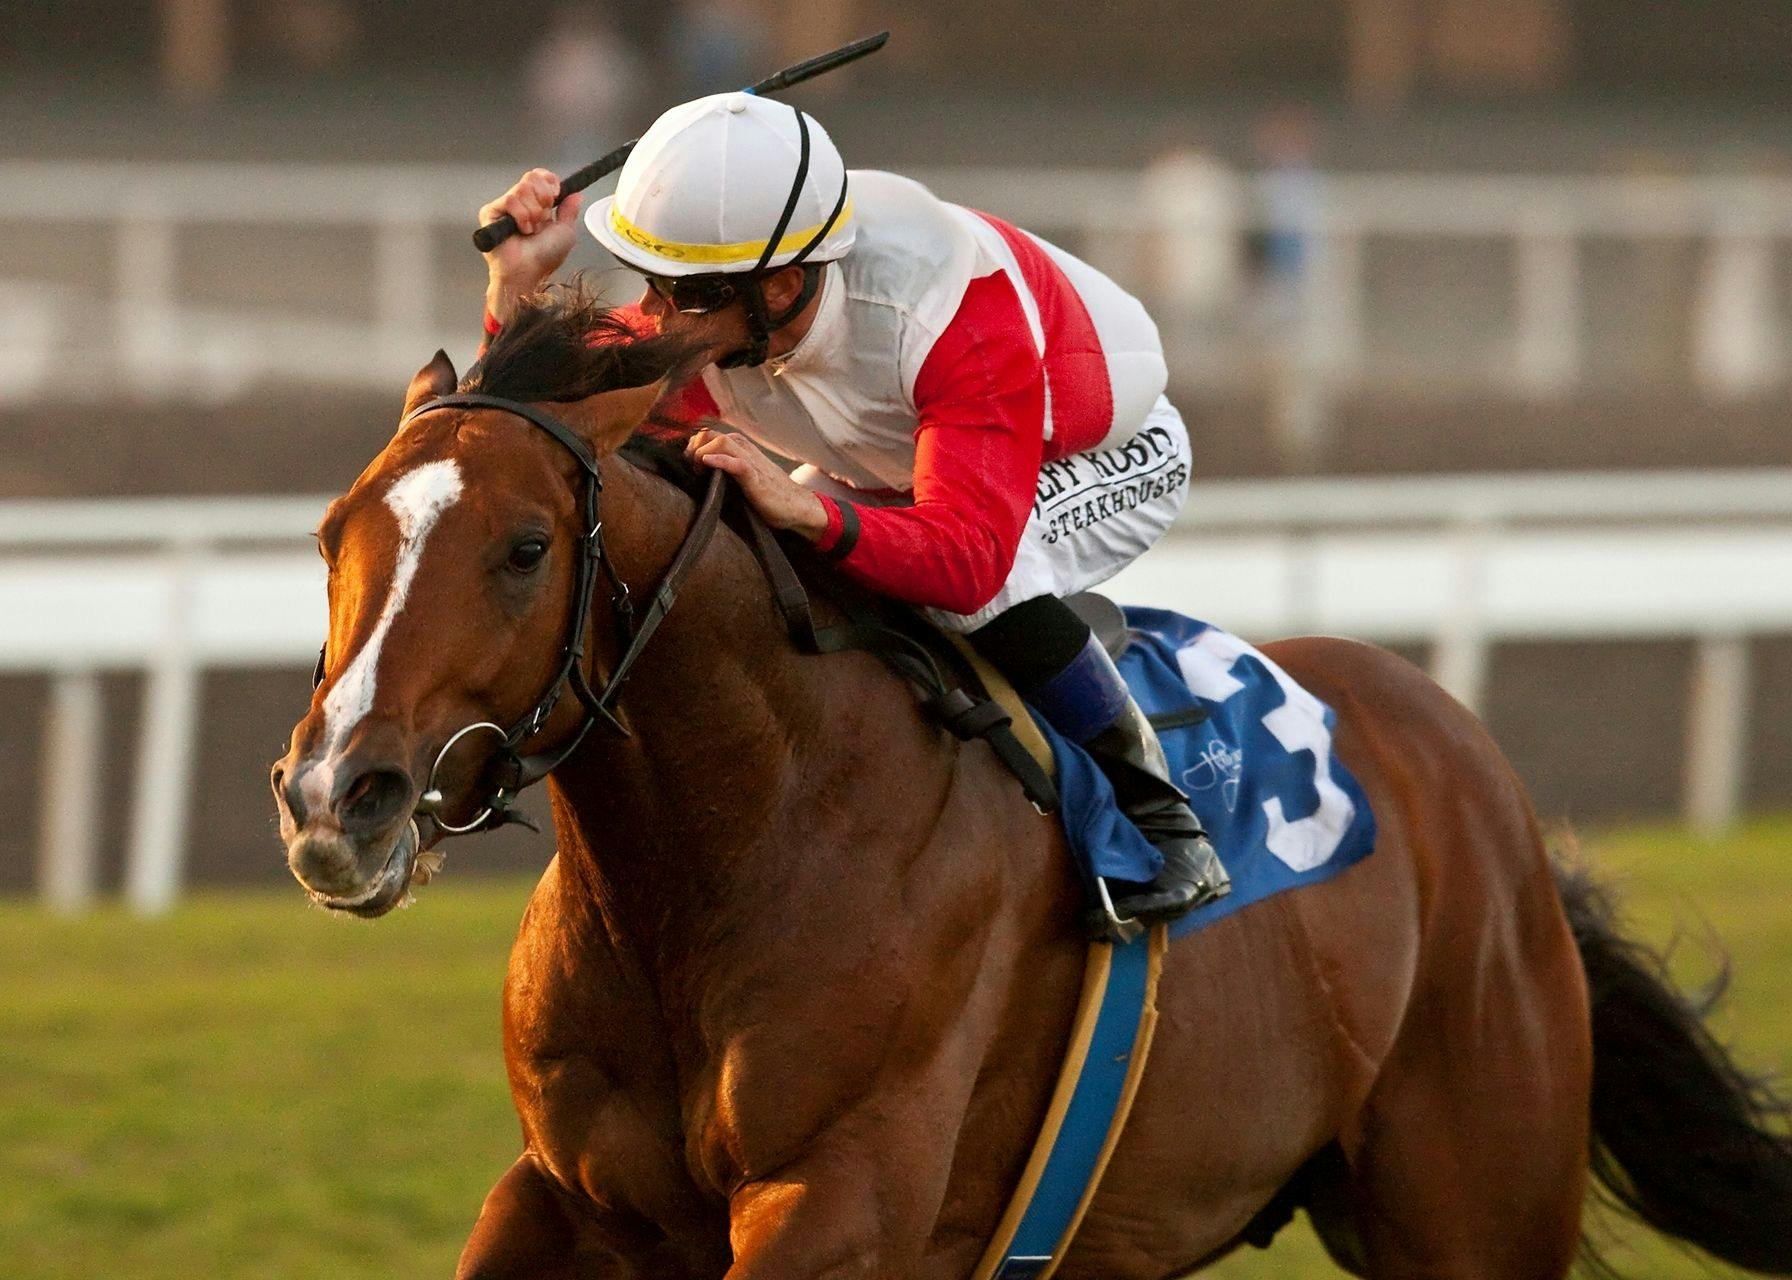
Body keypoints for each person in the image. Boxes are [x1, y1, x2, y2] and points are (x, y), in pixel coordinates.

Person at [477, 92, 1228, 931]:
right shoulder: (736, 305)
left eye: (679, 295)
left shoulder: (951, 314)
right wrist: (515, 285)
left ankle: (1164, 823)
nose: (651, 317)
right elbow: (530, 428)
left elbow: (968, 556)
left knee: (980, 583)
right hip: (905, 458)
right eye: (651, 284)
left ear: (783, 285)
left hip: (1092, 451)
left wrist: (808, 510)